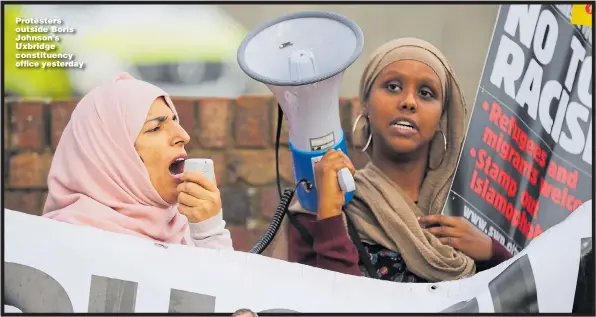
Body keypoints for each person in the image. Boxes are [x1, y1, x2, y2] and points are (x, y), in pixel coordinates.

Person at [275, 38, 511, 282]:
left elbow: (523, 298)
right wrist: (330, 217)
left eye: (425, 93)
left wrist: (494, 254)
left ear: (441, 118)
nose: (408, 101)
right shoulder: (317, 209)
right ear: (365, 104)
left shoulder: (466, 218)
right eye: (393, 87)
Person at [42, 73, 233, 249]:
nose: (183, 136)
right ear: (112, 155)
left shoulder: (184, 230)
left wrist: (209, 233)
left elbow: (224, 286)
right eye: (156, 128)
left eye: (176, 121)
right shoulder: (65, 240)